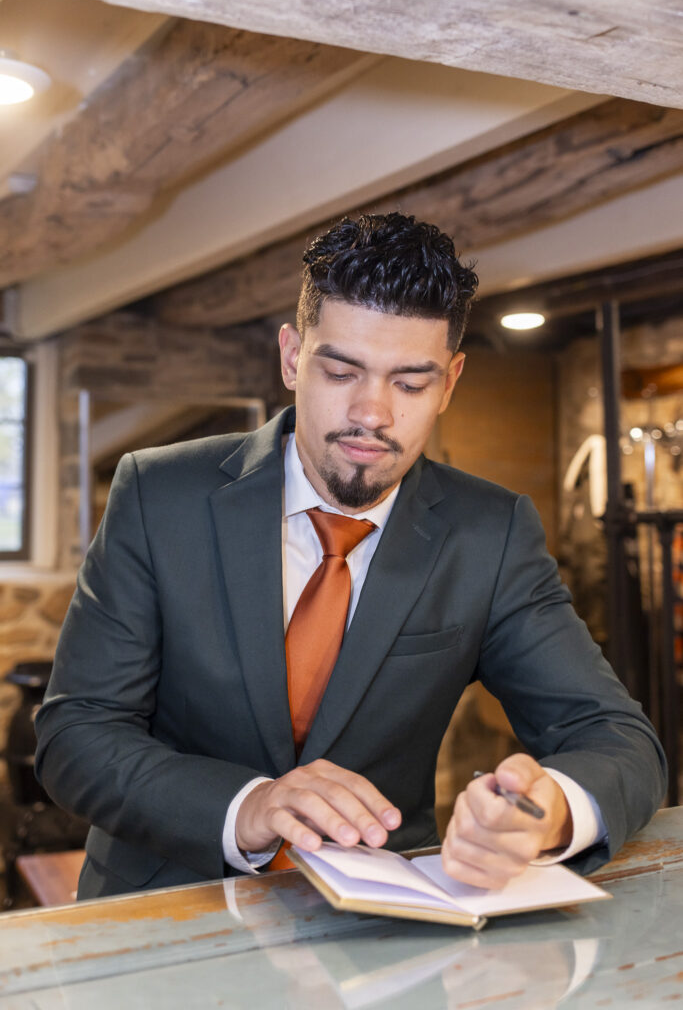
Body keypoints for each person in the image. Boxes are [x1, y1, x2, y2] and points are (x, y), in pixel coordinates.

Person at [35, 213, 666, 899]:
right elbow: (77, 734)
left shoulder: (488, 532)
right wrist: (248, 806)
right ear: (290, 358)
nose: (372, 413)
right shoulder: (159, 495)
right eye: (341, 371)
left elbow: (617, 738)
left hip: (383, 927)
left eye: (410, 383)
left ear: (450, 382)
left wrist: (549, 813)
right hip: (159, 904)